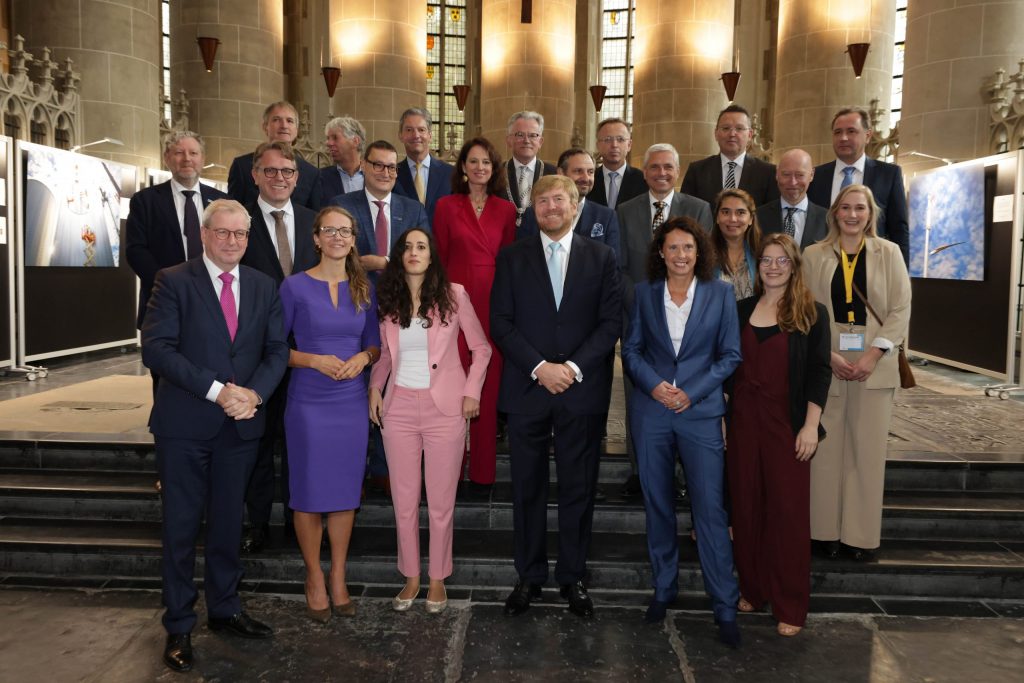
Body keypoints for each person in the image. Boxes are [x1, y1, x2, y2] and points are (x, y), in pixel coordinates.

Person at [142, 199, 289, 672]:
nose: (231, 241)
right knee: (181, 528)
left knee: (228, 524)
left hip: (241, 426)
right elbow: (157, 349)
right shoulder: (173, 280)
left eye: (240, 234)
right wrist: (217, 390)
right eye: (222, 232)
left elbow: (277, 351)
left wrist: (255, 395)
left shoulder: (264, 285)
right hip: (185, 427)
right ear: (204, 234)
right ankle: (179, 624)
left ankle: (225, 608)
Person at [491, 175, 621, 620]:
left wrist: (572, 368)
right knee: (526, 488)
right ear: (533, 209)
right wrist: (540, 367)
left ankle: (572, 576)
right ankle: (528, 576)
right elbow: (501, 321)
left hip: (581, 390)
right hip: (528, 388)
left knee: (578, 488)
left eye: (559, 199)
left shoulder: (601, 257)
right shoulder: (512, 257)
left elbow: (610, 323)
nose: (550, 207)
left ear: (575, 206)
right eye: (542, 201)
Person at [620, 217, 742, 645]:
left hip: (699, 411)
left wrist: (692, 392)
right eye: (672, 247)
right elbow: (631, 350)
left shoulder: (720, 293)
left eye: (688, 247)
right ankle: (664, 587)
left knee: (709, 510)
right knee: (658, 505)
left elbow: (730, 356)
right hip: (652, 412)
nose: (680, 255)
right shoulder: (644, 293)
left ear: (699, 251)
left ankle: (724, 604)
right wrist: (654, 386)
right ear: (660, 252)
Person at [369, 228, 492, 615]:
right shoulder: (389, 300)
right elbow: (385, 356)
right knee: (404, 501)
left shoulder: (454, 295)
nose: (414, 252)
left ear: (431, 254)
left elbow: (481, 348)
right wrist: (374, 388)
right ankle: (411, 576)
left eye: (421, 246)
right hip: (399, 409)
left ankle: (437, 578)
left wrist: (472, 391)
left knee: (440, 501)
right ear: (399, 256)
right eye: (407, 247)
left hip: (445, 409)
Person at [278, 205, 381, 622]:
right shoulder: (293, 287)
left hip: (350, 403)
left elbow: (375, 343)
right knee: (307, 492)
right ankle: (314, 577)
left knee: (344, 493)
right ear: (316, 239)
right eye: (329, 230)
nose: (337, 237)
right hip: (308, 402)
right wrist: (312, 360)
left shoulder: (365, 288)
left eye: (345, 231)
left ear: (354, 240)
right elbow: (274, 348)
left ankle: (338, 575)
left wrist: (363, 358)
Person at [727, 233, 831, 638]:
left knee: (787, 515)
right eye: (767, 260)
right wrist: (721, 420)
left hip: (787, 427)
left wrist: (810, 426)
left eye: (782, 260)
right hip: (742, 425)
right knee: (746, 508)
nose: (773, 267)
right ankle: (753, 590)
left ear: (794, 266)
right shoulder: (740, 309)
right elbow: (727, 368)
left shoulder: (812, 313)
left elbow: (819, 372)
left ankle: (790, 604)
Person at [802, 184, 911, 561]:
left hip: (873, 361)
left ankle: (859, 538)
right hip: (827, 358)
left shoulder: (889, 252)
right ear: (834, 212)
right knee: (825, 450)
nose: (852, 214)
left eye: (860, 208)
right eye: (845, 208)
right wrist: (827, 354)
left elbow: (901, 308)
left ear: (870, 214)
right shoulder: (814, 254)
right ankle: (823, 533)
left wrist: (873, 355)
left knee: (866, 453)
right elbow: (803, 308)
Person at [616, 143, 712, 498]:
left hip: (687, 321)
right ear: (644, 172)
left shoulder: (698, 209)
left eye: (668, 167)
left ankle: (683, 473)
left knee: (683, 391)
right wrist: (647, 305)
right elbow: (620, 268)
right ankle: (641, 471)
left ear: (678, 171)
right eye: (654, 167)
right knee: (639, 394)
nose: (661, 173)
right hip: (638, 319)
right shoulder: (624, 211)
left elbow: (705, 263)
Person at [238, 141, 320, 553]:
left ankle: (297, 521)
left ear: (297, 178)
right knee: (256, 443)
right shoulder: (239, 222)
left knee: (300, 444)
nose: (279, 178)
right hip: (254, 353)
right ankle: (255, 523)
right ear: (255, 175)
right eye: (270, 171)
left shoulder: (312, 222)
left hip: (306, 353)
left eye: (287, 171)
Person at [433, 137, 517, 487]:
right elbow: (438, 258)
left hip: (493, 304)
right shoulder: (445, 206)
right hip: (455, 303)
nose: (480, 167)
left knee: (488, 385)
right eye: (473, 161)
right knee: (454, 384)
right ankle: (451, 469)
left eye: (486, 162)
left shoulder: (506, 210)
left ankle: (482, 471)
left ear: (494, 169)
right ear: (463, 167)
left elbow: (510, 263)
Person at [126, 131, 227, 332]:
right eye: (179, 152)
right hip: (162, 301)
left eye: (193, 153)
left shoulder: (222, 201)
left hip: (214, 299)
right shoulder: (145, 200)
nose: (187, 159)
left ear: (202, 158)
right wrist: (167, 285)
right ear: (167, 158)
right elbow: (136, 250)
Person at [807, 107, 909, 265]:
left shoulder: (888, 175)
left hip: (872, 267)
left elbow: (899, 230)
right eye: (838, 132)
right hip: (824, 266)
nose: (843, 138)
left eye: (851, 131)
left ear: (868, 136)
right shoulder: (816, 176)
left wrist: (901, 271)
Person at [517, 147, 622, 263]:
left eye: (590, 172)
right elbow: (521, 259)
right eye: (578, 171)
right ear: (561, 173)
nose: (586, 178)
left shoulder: (606, 217)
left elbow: (613, 264)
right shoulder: (534, 214)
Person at [227, 101, 322, 211]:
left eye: (289, 121)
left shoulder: (312, 173)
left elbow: (314, 216)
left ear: (296, 130)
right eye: (276, 120)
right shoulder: (242, 166)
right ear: (265, 127)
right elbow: (232, 211)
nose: (284, 126)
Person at [680, 104, 778, 207]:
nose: (732, 134)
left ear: (750, 135)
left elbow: (772, 212)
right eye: (726, 128)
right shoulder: (697, 171)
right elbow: (685, 210)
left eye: (739, 128)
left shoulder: (768, 173)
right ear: (716, 134)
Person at [757, 149, 828, 251]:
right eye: (786, 174)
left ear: (811, 175)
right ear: (777, 174)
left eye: (800, 175)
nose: (793, 182)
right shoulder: (758, 216)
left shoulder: (827, 219)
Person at [393, 107, 454, 221]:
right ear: (400, 135)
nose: (416, 135)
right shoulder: (392, 174)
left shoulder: (450, 174)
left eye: (421, 130)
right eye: (409, 130)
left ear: (430, 135)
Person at [503, 111, 557, 224]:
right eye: (520, 135)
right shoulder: (496, 173)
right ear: (509, 140)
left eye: (533, 135)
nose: (526, 141)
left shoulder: (554, 174)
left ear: (540, 142)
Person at [710, 188, 762, 301]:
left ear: (751, 219)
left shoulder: (762, 254)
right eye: (726, 212)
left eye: (740, 213)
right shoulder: (703, 254)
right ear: (717, 217)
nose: (733, 219)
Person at [587, 117, 648, 210]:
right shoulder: (588, 179)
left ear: (629, 145)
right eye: (607, 139)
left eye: (620, 139)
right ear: (598, 145)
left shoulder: (643, 180)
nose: (614, 145)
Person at [319, 116, 367, 204]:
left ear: (355, 141)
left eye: (335, 138)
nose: (328, 143)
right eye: (328, 138)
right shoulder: (320, 177)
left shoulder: (373, 177)